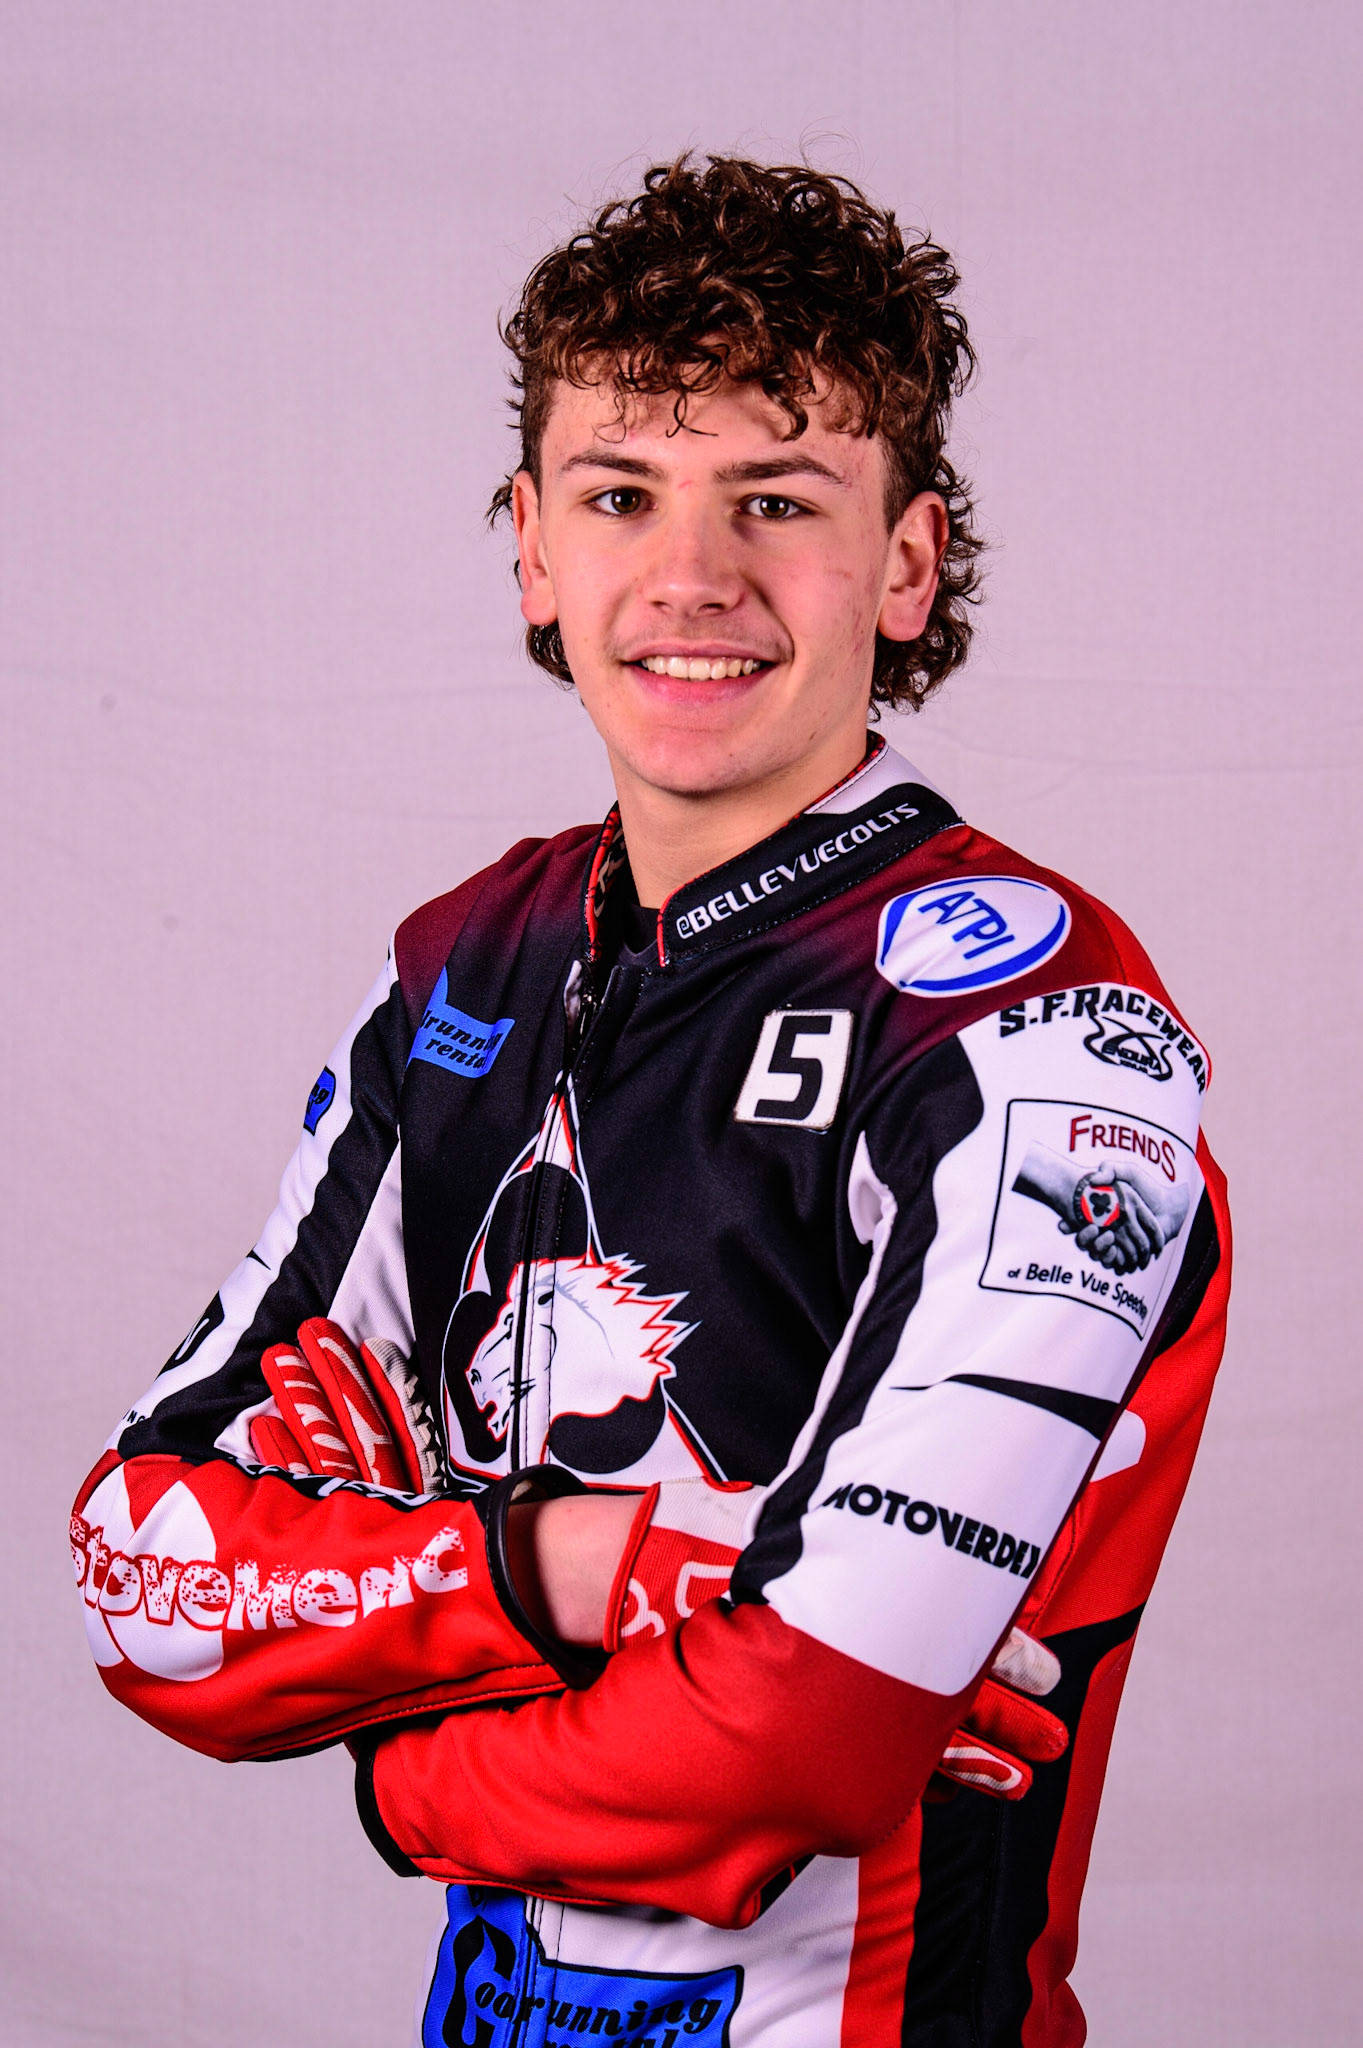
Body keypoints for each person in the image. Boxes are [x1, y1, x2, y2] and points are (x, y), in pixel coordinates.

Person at [71, 156, 1230, 2046]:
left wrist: (398, 1768)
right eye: (624, 498)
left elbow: (809, 1728)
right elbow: (152, 1571)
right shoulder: (460, 966)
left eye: (778, 502)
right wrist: (569, 1557)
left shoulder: (1040, 1024)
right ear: (536, 547)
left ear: (909, 562)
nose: (693, 579)